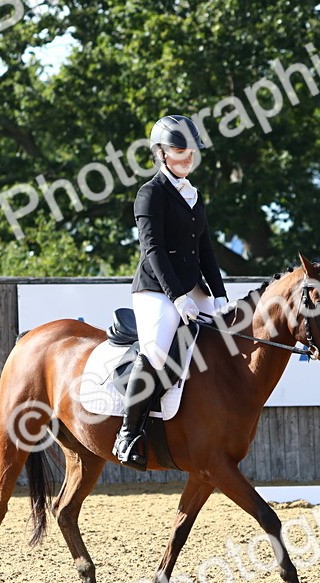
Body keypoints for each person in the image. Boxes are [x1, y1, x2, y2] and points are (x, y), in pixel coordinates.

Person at [112, 115, 229, 470]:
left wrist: (220, 294)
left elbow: (206, 250)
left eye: (191, 151)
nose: (188, 158)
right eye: (180, 151)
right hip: (155, 290)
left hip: (192, 288)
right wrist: (177, 297)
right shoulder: (150, 194)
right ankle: (127, 434)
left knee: (228, 336)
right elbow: (153, 250)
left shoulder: (194, 195)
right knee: (159, 351)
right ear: (161, 153)